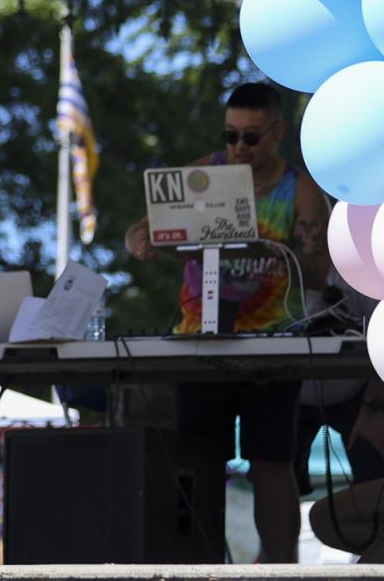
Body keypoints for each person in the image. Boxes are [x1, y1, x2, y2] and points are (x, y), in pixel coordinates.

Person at [125, 82, 332, 564]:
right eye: (231, 135)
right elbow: (144, 226)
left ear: (277, 132)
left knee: (271, 462)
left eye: (252, 137)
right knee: (198, 462)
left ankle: (280, 568)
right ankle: (198, 565)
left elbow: (319, 272)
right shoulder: (204, 173)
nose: (238, 147)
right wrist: (140, 240)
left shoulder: (297, 188)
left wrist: (277, 250)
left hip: (272, 343)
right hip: (200, 343)